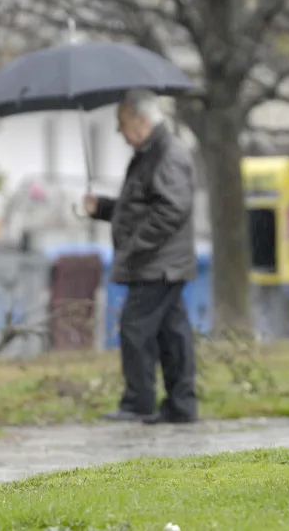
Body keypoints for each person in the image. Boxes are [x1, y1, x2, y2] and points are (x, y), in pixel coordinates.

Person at [84, 89, 198, 424]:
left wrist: (134, 245)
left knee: (136, 330)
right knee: (171, 335)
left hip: (157, 264)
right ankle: (180, 406)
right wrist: (104, 208)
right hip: (163, 263)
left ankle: (139, 403)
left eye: (122, 124)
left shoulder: (167, 153)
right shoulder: (153, 152)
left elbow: (171, 209)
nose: (120, 133)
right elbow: (141, 206)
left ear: (142, 121)